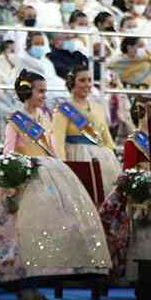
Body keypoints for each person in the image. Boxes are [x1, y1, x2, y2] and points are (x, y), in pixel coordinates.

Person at [0, 70, 110, 300]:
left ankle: (37, 282)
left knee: (44, 230)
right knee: (22, 232)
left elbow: (51, 146)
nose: (43, 96)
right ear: (26, 91)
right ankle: (23, 285)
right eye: (40, 91)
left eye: (45, 91)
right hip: (23, 177)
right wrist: (12, 179)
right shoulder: (15, 120)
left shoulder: (44, 116)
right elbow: (8, 152)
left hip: (47, 173)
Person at [53, 65, 120, 199]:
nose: (87, 84)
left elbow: (106, 136)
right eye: (82, 80)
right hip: (76, 157)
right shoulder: (63, 109)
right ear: (72, 82)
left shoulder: (98, 107)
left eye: (89, 80)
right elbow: (58, 142)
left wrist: (113, 155)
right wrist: (63, 166)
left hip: (102, 159)